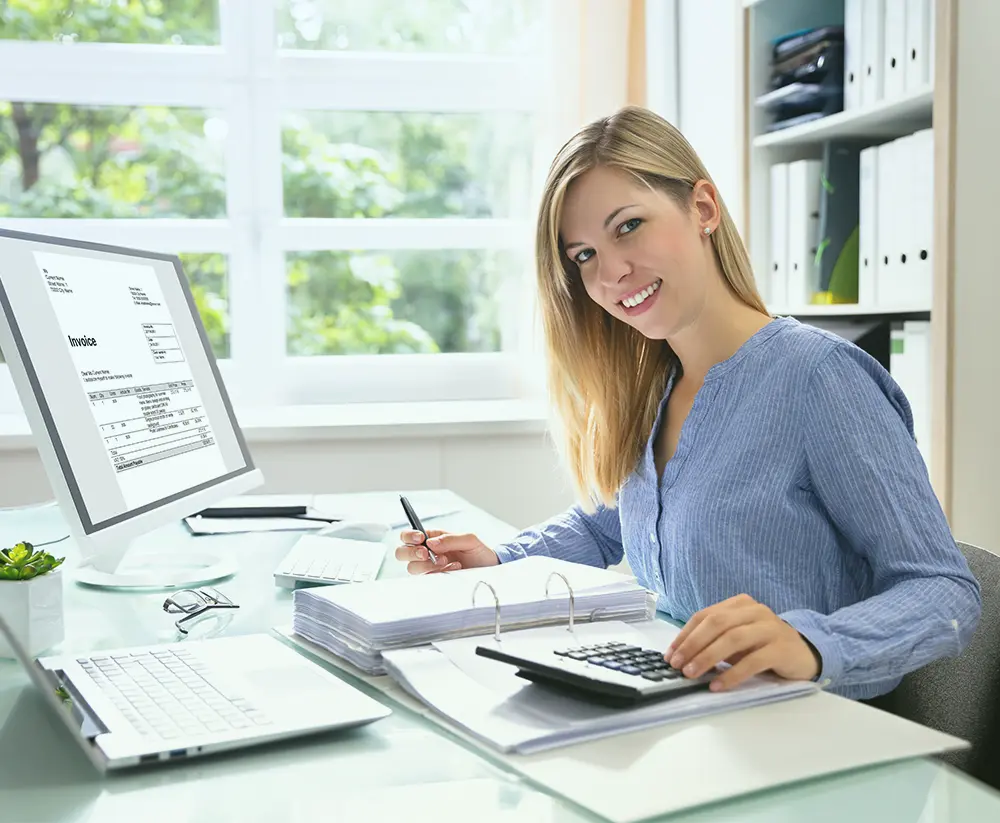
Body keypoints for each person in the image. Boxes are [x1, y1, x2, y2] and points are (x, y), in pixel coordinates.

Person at [394, 105, 982, 700]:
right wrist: (500, 558)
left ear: (703, 208)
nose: (611, 273)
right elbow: (608, 523)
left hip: (805, 735)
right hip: (690, 720)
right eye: (583, 255)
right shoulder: (654, 387)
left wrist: (810, 643)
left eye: (628, 226)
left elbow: (941, 589)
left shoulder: (819, 379)